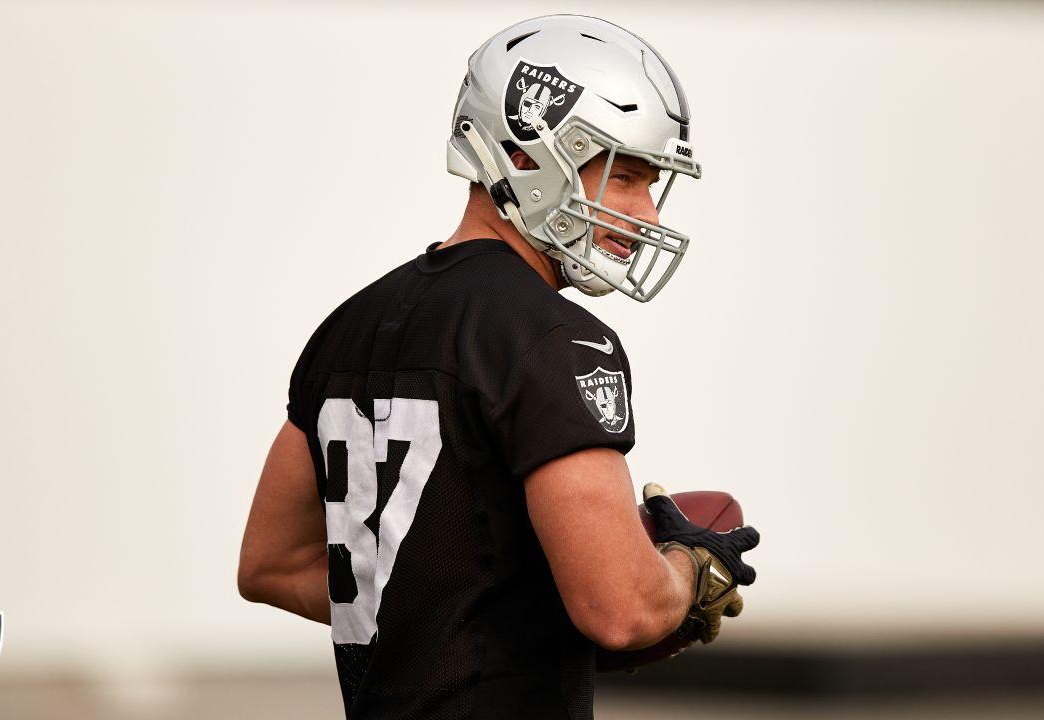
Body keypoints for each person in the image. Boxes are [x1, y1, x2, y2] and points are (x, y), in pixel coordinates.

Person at [238, 14, 760, 720]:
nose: (646, 213)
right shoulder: (557, 338)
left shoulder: (346, 328)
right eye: (624, 175)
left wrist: (473, 611)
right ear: (526, 156)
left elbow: (271, 565)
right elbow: (623, 611)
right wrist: (687, 568)